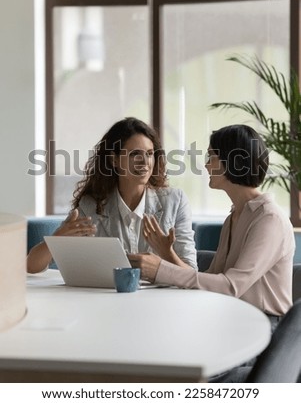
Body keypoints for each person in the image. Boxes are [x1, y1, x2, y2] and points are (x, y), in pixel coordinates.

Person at [129, 124, 295, 323]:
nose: (206, 165)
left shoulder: (269, 219)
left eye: (211, 157)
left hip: (264, 326)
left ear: (233, 161)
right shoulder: (235, 216)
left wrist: (160, 270)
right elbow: (211, 282)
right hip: (231, 318)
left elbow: (230, 287)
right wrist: (168, 254)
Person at [27, 117, 197, 273]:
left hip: (162, 302)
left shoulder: (175, 201)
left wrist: (166, 254)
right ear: (114, 160)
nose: (145, 162)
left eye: (149, 154)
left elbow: (192, 274)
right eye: (135, 154)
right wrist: (57, 238)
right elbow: (31, 266)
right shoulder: (91, 206)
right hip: (107, 302)